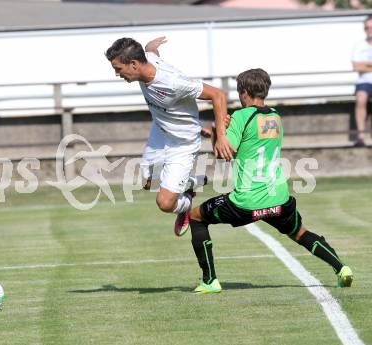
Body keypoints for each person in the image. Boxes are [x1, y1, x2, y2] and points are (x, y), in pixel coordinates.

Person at [188, 68, 353, 294]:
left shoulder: (240, 116)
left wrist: (219, 131)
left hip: (247, 201)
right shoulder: (275, 116)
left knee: (195, 217)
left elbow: (223, 154)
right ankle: (341, 268)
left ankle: (210, 280)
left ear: (243, 92)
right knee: (300, 233)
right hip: (278, 197)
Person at [105, 37, 234, 236]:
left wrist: (222, 136)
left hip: (182, 143)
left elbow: (218, 95)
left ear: (134, 64)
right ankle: (190, 184)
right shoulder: (145, 60)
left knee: (165, 203)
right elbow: (150, 51)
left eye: (118, 69)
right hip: (160, 132)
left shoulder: (173, 83)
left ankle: (184, 207)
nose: (116, 74)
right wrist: (151, 46)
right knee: (149, 184)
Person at [352, 15, 372, 147]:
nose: (369, 30)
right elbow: (356, 66)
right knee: (361, 99)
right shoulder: (359, 45)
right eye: (367, 28)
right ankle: (361, 136)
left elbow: (361, 65)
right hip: (364, 82)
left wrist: (366, 65)